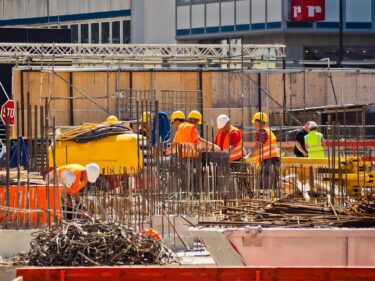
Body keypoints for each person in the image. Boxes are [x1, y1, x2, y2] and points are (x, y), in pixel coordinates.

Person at [247, 112, 280, 190]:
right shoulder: (268, 131)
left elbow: (258, 146)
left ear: (259, 122)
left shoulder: (262, 131)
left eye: (255, 122)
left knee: (265, 186)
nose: (254, 124)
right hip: (274, 160)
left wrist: (250, 157)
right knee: (272, 186)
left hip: (268, 161)